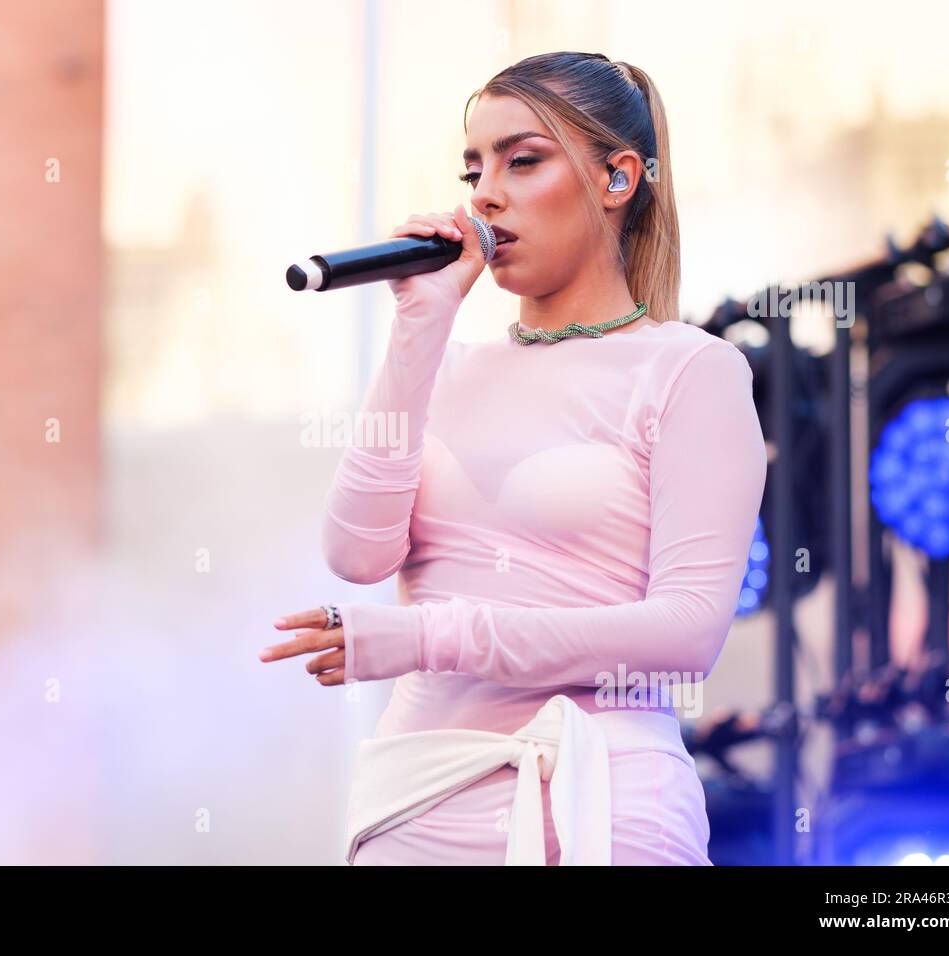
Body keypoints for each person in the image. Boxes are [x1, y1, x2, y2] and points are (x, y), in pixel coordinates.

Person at [259, 52, 767, 865]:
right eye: (474, 169)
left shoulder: (689, 371)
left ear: (618, 178)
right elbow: (356, 555)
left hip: (600, 800)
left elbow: (685, 633)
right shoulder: (445, 369)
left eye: (522, 160)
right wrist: (419, 325)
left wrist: (431, 637)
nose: (485, 193)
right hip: (417, 800)